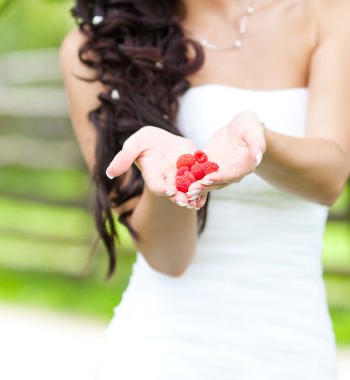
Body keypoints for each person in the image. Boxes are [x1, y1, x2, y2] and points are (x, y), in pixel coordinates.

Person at [60, 0, 350, 378]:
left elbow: (330, 179)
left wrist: (261, 143)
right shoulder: (97, 46)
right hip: (161, 350)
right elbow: (169, 259)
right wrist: (173, 179)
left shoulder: (327, 13)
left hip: (296, 344)